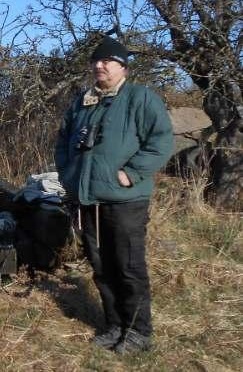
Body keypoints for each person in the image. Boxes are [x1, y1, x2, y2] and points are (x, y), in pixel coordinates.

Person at [54, 35, 173, 354]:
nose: (99, 65)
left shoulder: (140, 98)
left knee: (128, 266)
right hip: (88, 199)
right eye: (96, 60)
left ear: (123, 67)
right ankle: (115, 324)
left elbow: (161, 141)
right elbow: (63, 142)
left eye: (107, 60)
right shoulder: (83, 102)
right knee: (101, 265)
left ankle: (138, 332)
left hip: (125, 200)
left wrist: (131, 173)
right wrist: (68, 176)